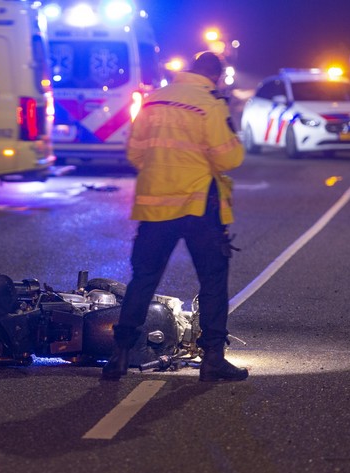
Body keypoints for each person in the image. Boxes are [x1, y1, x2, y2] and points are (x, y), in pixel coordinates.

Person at [102, 51, 247, 382]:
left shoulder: (154, 100)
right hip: (198, 207)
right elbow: (228, 159)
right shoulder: (210, 103)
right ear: (216, 76)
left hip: (155, 208)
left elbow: (136, 153)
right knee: (212, 279)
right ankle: (213, 359)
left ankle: (120, 355)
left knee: (144, 279)